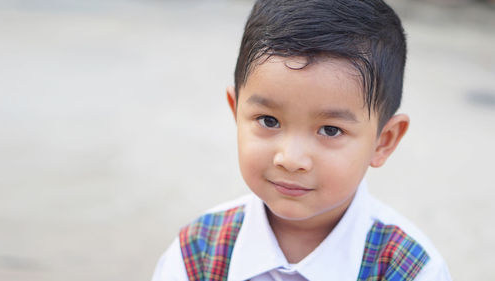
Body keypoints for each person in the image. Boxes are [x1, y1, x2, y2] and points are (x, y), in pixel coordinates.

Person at [151, 0, 452, 280]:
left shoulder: (410, 269)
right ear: (236, 111)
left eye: (330, 130)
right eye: (269, 121)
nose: (291, 159)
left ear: (383, 141)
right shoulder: (197, 253)